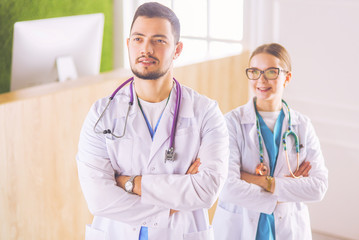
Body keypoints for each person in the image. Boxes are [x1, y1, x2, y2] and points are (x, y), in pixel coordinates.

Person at [76, 2, 229, 240]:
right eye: (138, 39)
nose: (146, 49)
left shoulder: (206, 112)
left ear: (177, 50)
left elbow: (206, 191)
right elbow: (99, 201)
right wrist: (173, 204)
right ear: (128, 44)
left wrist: (129, 184)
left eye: (159, 40)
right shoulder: (101, 114)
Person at [212, 43, 328, 240]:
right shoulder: (231, 122)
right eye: (255, 71)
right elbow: (227, 188)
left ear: (287, 77)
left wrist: (258, 180)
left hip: (288, 227)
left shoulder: (302, 125)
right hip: (239, 226)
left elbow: (318, 187)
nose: (261, 80)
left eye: (271, 72)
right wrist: (287, 190)